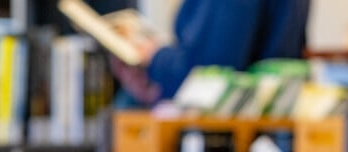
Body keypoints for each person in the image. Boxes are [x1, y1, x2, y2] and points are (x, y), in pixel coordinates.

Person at [113, 0, 311, 105]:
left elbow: (209, 71)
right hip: (274, 107)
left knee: (123, 108)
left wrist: (155, 57)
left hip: (227, 119)